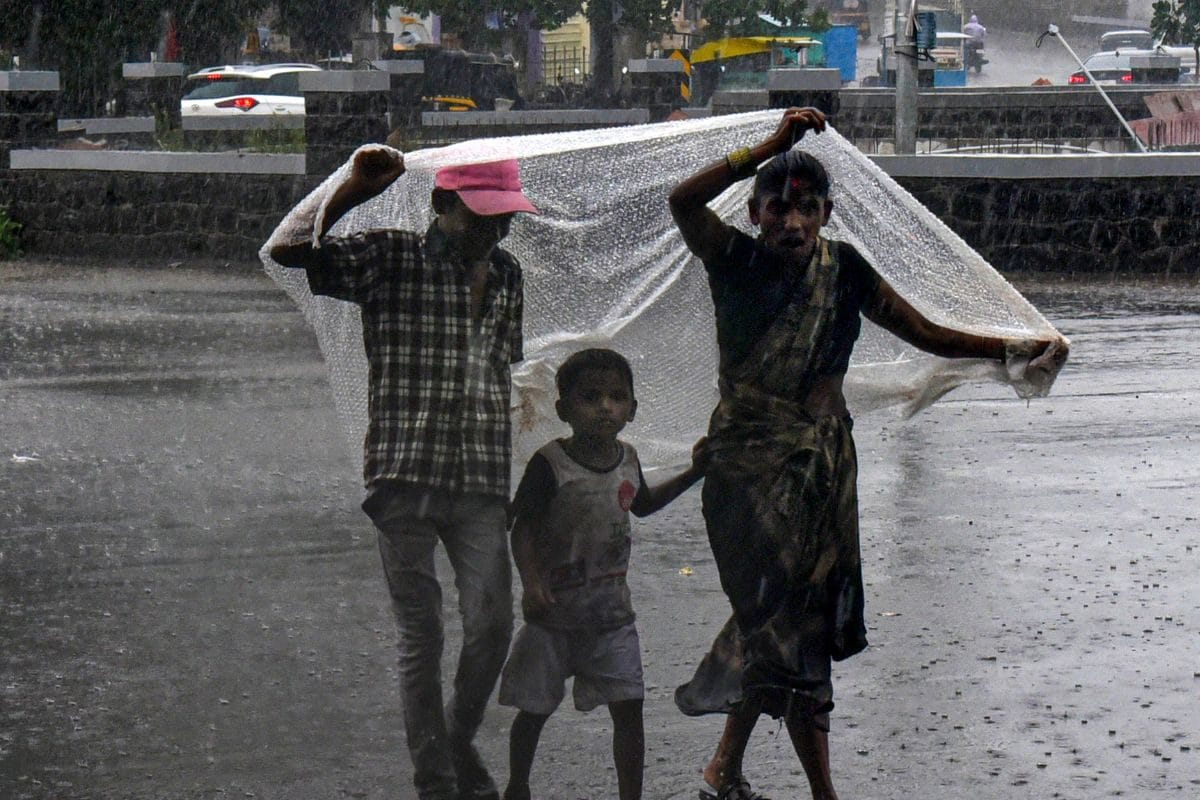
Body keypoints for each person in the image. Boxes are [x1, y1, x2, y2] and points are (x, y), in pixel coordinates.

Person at [667, 108, 1068, 800]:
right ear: (756, 212)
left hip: (823, 474)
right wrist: (766, 147)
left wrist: (1011, 348)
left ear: (826, 213)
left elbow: (928, 333)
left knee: (794, 633)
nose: (792, 223)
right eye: (778, 209)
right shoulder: (734, 261)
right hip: (747, 473)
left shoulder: (843, 269)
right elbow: (681, 199)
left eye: (808, 209)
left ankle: (725, 770)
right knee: (781, 627)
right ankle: (812, 791)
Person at [269, 148, 539, 800]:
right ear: (442, 206)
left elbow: (505, 368)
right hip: (404, 472)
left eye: (503, 220)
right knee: (424, 633)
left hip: (477, 478)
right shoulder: (390, 257)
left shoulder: (507, 275)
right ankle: (436, 780)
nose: (493, 232)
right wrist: (348, 189)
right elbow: (288, 250)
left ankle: (455, 732)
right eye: (482, 217)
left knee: (494, 622)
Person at [498, 348, 708, 800]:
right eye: (590, 397)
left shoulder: (628, 459)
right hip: (552, 616)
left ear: (632, 410)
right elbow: (524, 528)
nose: (605, 407)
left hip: (611, 617)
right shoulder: (550, 464)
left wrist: (695, 472)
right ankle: (517, 785)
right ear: (563, 409)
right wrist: (532, 583)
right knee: (534, 710)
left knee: (629, 710)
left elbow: (644, 504)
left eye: (617, 397)